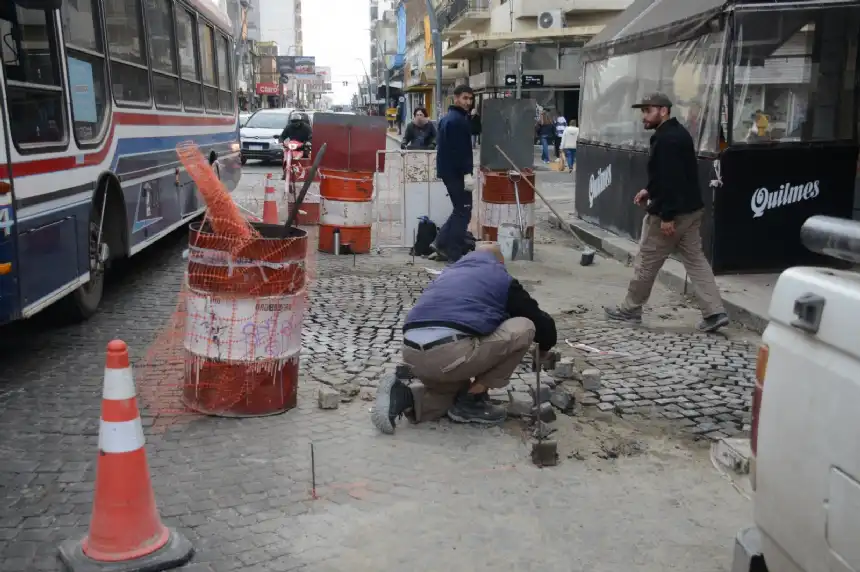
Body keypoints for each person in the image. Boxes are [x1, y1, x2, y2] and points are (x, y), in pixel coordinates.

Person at [371, 243, 557, 433]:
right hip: (450, 354)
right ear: (500, 262)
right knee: (524, 327)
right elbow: (540, 322)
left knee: (450, 397)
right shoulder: (500, 277)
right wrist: (544, 349)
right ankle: (473, 401)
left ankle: (403, 396)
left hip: (412, 355)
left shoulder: (448, 274)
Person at [604, 93, 729, 333]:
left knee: (646, 262)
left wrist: (667, 216)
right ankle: (715, 312)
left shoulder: (666, 139)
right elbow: (671, 174)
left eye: (648, 111)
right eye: (643, 111)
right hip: (692, 211)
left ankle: (630, 309)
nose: (644, 116)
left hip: (673, 214)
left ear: (663, 111)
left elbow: (671, 180)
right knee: (696, 261)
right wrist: (649, 190)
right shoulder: (678, 134)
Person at [432, 85, 476, 263]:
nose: (468, 102)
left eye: (470, 99)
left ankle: (441, 242)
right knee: (463, 212)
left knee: (459, 210)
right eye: (465, 98)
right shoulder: (457, 121)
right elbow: (460, 151)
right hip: (457, 173)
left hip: (448, 172)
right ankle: (453, 251)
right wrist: (466, 173)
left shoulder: (448, 118)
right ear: (456, 98)